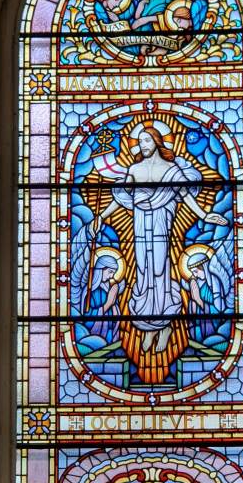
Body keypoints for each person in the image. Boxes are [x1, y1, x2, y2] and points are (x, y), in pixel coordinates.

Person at [91, 125, 227, 354]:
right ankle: (148, 328)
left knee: (158, 270)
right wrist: (101, 216)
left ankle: (164, 325)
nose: (143, 145)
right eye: (140, 141)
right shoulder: (134, 169)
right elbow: (121, 196)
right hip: (140, 226)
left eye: (147, 140)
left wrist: (204, 215)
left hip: (161, 226)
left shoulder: (172, 170)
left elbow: (184, 194)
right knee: (143, 271)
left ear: (157, 142)